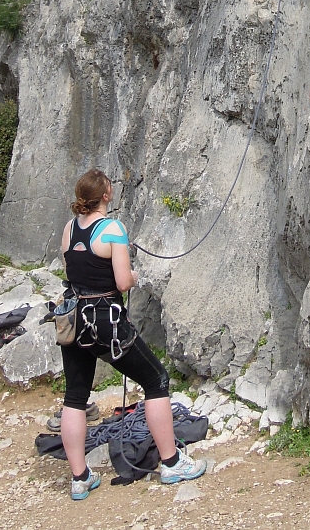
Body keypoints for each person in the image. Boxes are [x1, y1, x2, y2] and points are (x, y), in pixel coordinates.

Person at [59, 169, 206, 500]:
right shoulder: (112, 229)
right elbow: (123, 282)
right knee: (156, 380)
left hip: (74, 320)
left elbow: (71, 270)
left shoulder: (69, 229)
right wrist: (134, 274)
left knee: (75, 396)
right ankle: (171, 463)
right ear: (106, 195)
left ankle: (80, 477)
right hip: (105, 321)